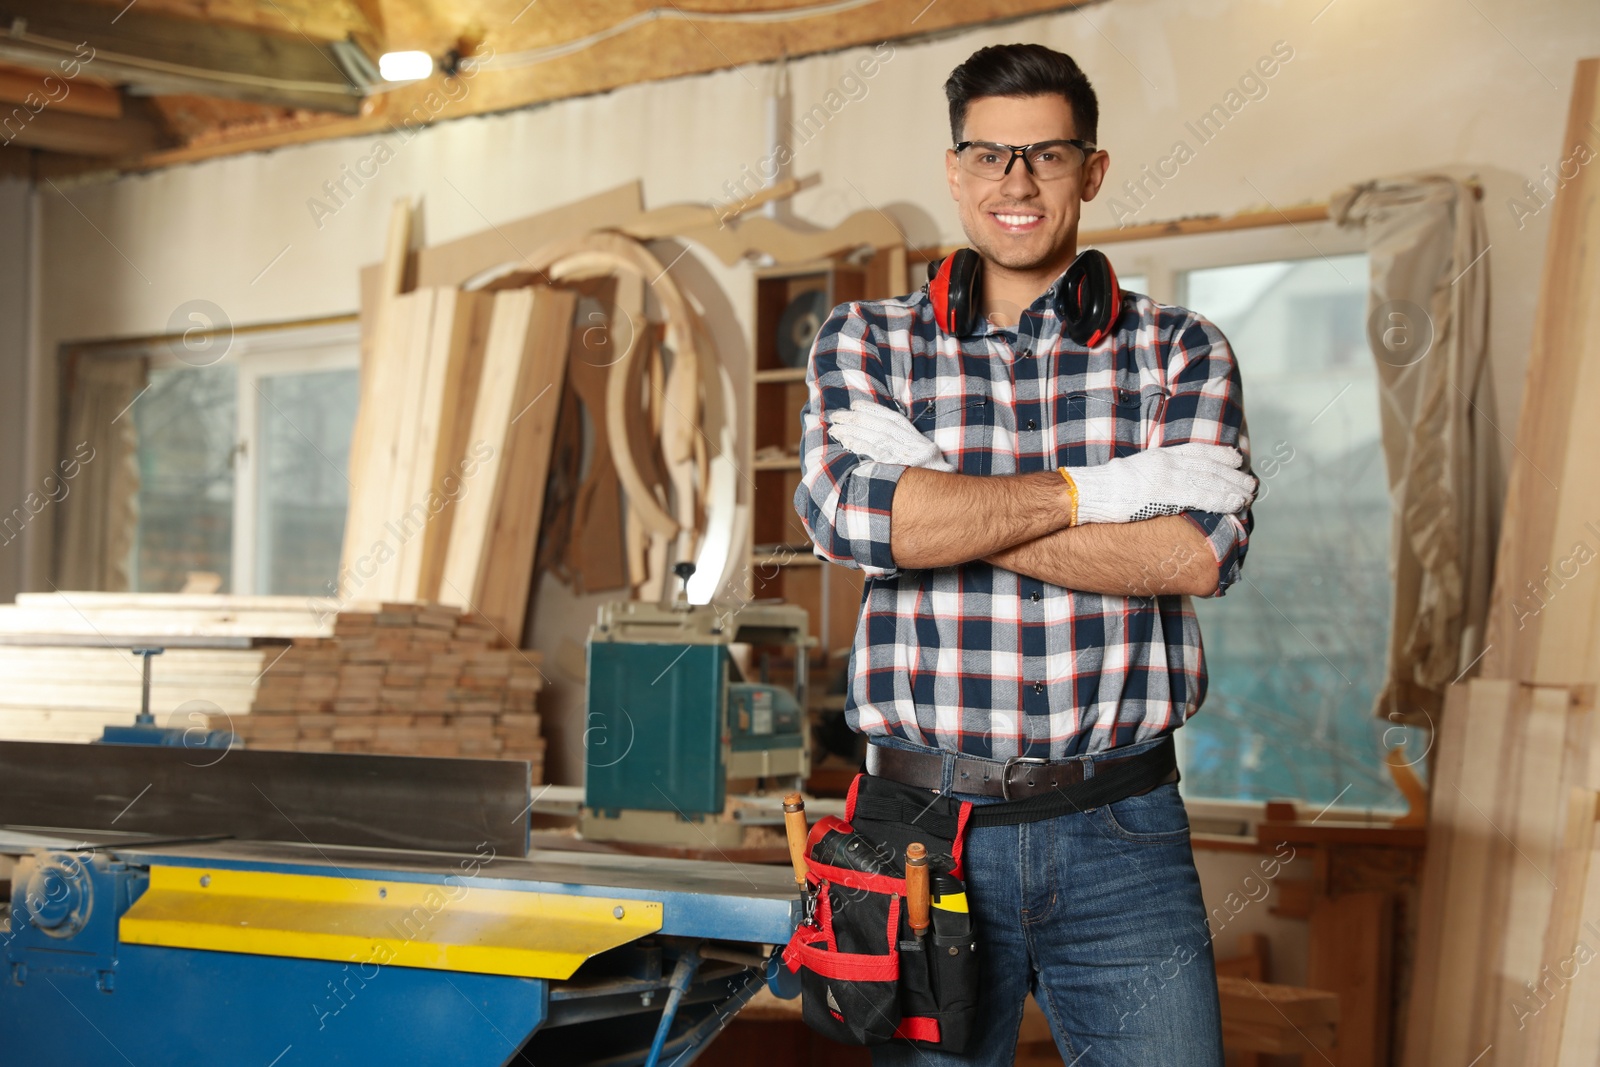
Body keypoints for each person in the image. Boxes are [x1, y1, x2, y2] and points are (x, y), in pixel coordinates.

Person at [793, 42, 1255, 1066]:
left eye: (1046, 154)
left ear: (1090, 170)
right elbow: (853, 523)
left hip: (1121, 822)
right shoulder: (865, 342)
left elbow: (1188, 555)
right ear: (953, 170)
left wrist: (943, 500)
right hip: (915, 828)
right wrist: (1110, 493)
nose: (1016, 181)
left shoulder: (1180, 348)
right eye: (991, 155)